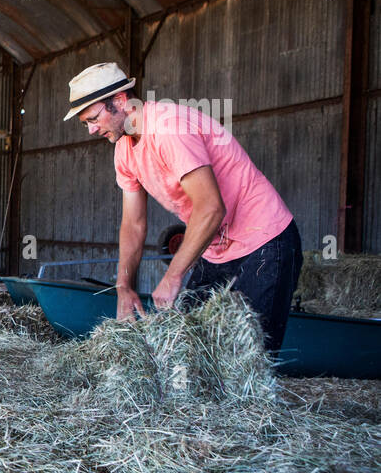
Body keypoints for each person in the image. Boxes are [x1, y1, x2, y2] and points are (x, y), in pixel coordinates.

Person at [65, 62, 302, 352]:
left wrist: (173, 275)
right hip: (216, 250)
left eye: (93, 118)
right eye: (85, 123)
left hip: (264, 242)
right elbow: (133, 224)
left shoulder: (168, 128)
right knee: (190, 352)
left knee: (248, 363)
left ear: (120, 101)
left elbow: (212, 208)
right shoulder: (124, 151)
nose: (90, 130)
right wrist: (123, 286)